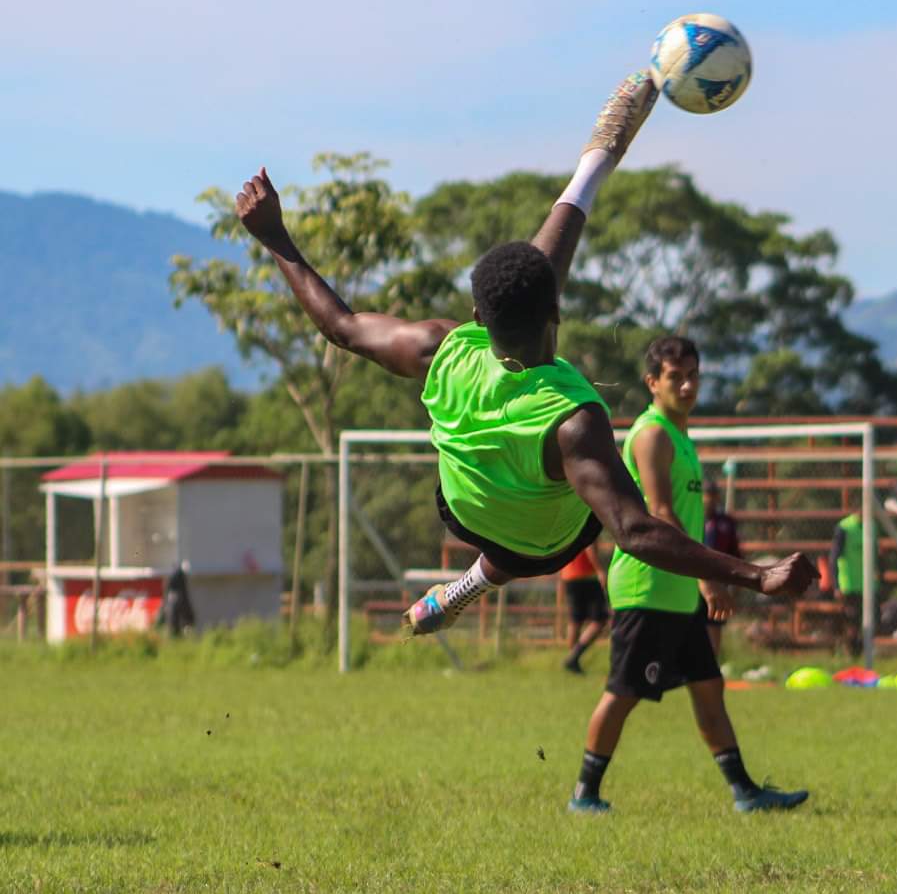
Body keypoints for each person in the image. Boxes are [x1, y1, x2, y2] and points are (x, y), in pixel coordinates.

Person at [235, 71, 817, 639]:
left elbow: (342, 325)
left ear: (479, 316)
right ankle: (472, 582)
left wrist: (275, 238)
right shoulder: (574, 421)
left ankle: (459, 589)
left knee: (519, 465)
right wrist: (757, 576)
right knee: (563, 512)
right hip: (542, 542)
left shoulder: (443, 347)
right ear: (557, 314)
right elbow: (636, 532)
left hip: (461, 509)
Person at [568, 337, 809, 815]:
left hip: (677, 592)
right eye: (675, 376)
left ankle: (745, 793)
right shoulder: (653, 434)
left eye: (694, 374)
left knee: (708, 687)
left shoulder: (680, 436)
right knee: (623, 693)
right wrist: (708, 578)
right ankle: (584, 794)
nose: (687, 383)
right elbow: (659, 514)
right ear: (652, 381)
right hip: (649, 586)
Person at [830, 497, 878, 657]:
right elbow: (834, 557)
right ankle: (851, 654)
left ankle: (864, 654)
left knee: (871, 621)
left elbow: (876, 555)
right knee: (852, 622)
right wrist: (836, 585)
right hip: (849, 584)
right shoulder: (844, 528)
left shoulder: (871, 527)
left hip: (868, 584)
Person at [701, 478, 740, 658]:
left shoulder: (726, 523)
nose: (708, 500)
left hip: (717, 581)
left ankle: (712, 662)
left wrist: (736, 581)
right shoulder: (692, 519)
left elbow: (735, 552)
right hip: (693, 579)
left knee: (714, 621)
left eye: (712, 496)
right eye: (705, 496)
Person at [560, 545, 609, 674]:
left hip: (568, 574)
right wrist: (600, 570)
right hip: (587, 576)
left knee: (575, 620)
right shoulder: (591, 524)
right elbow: (590, 547)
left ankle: (572, 660)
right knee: (600, 620)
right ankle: (573, 658)